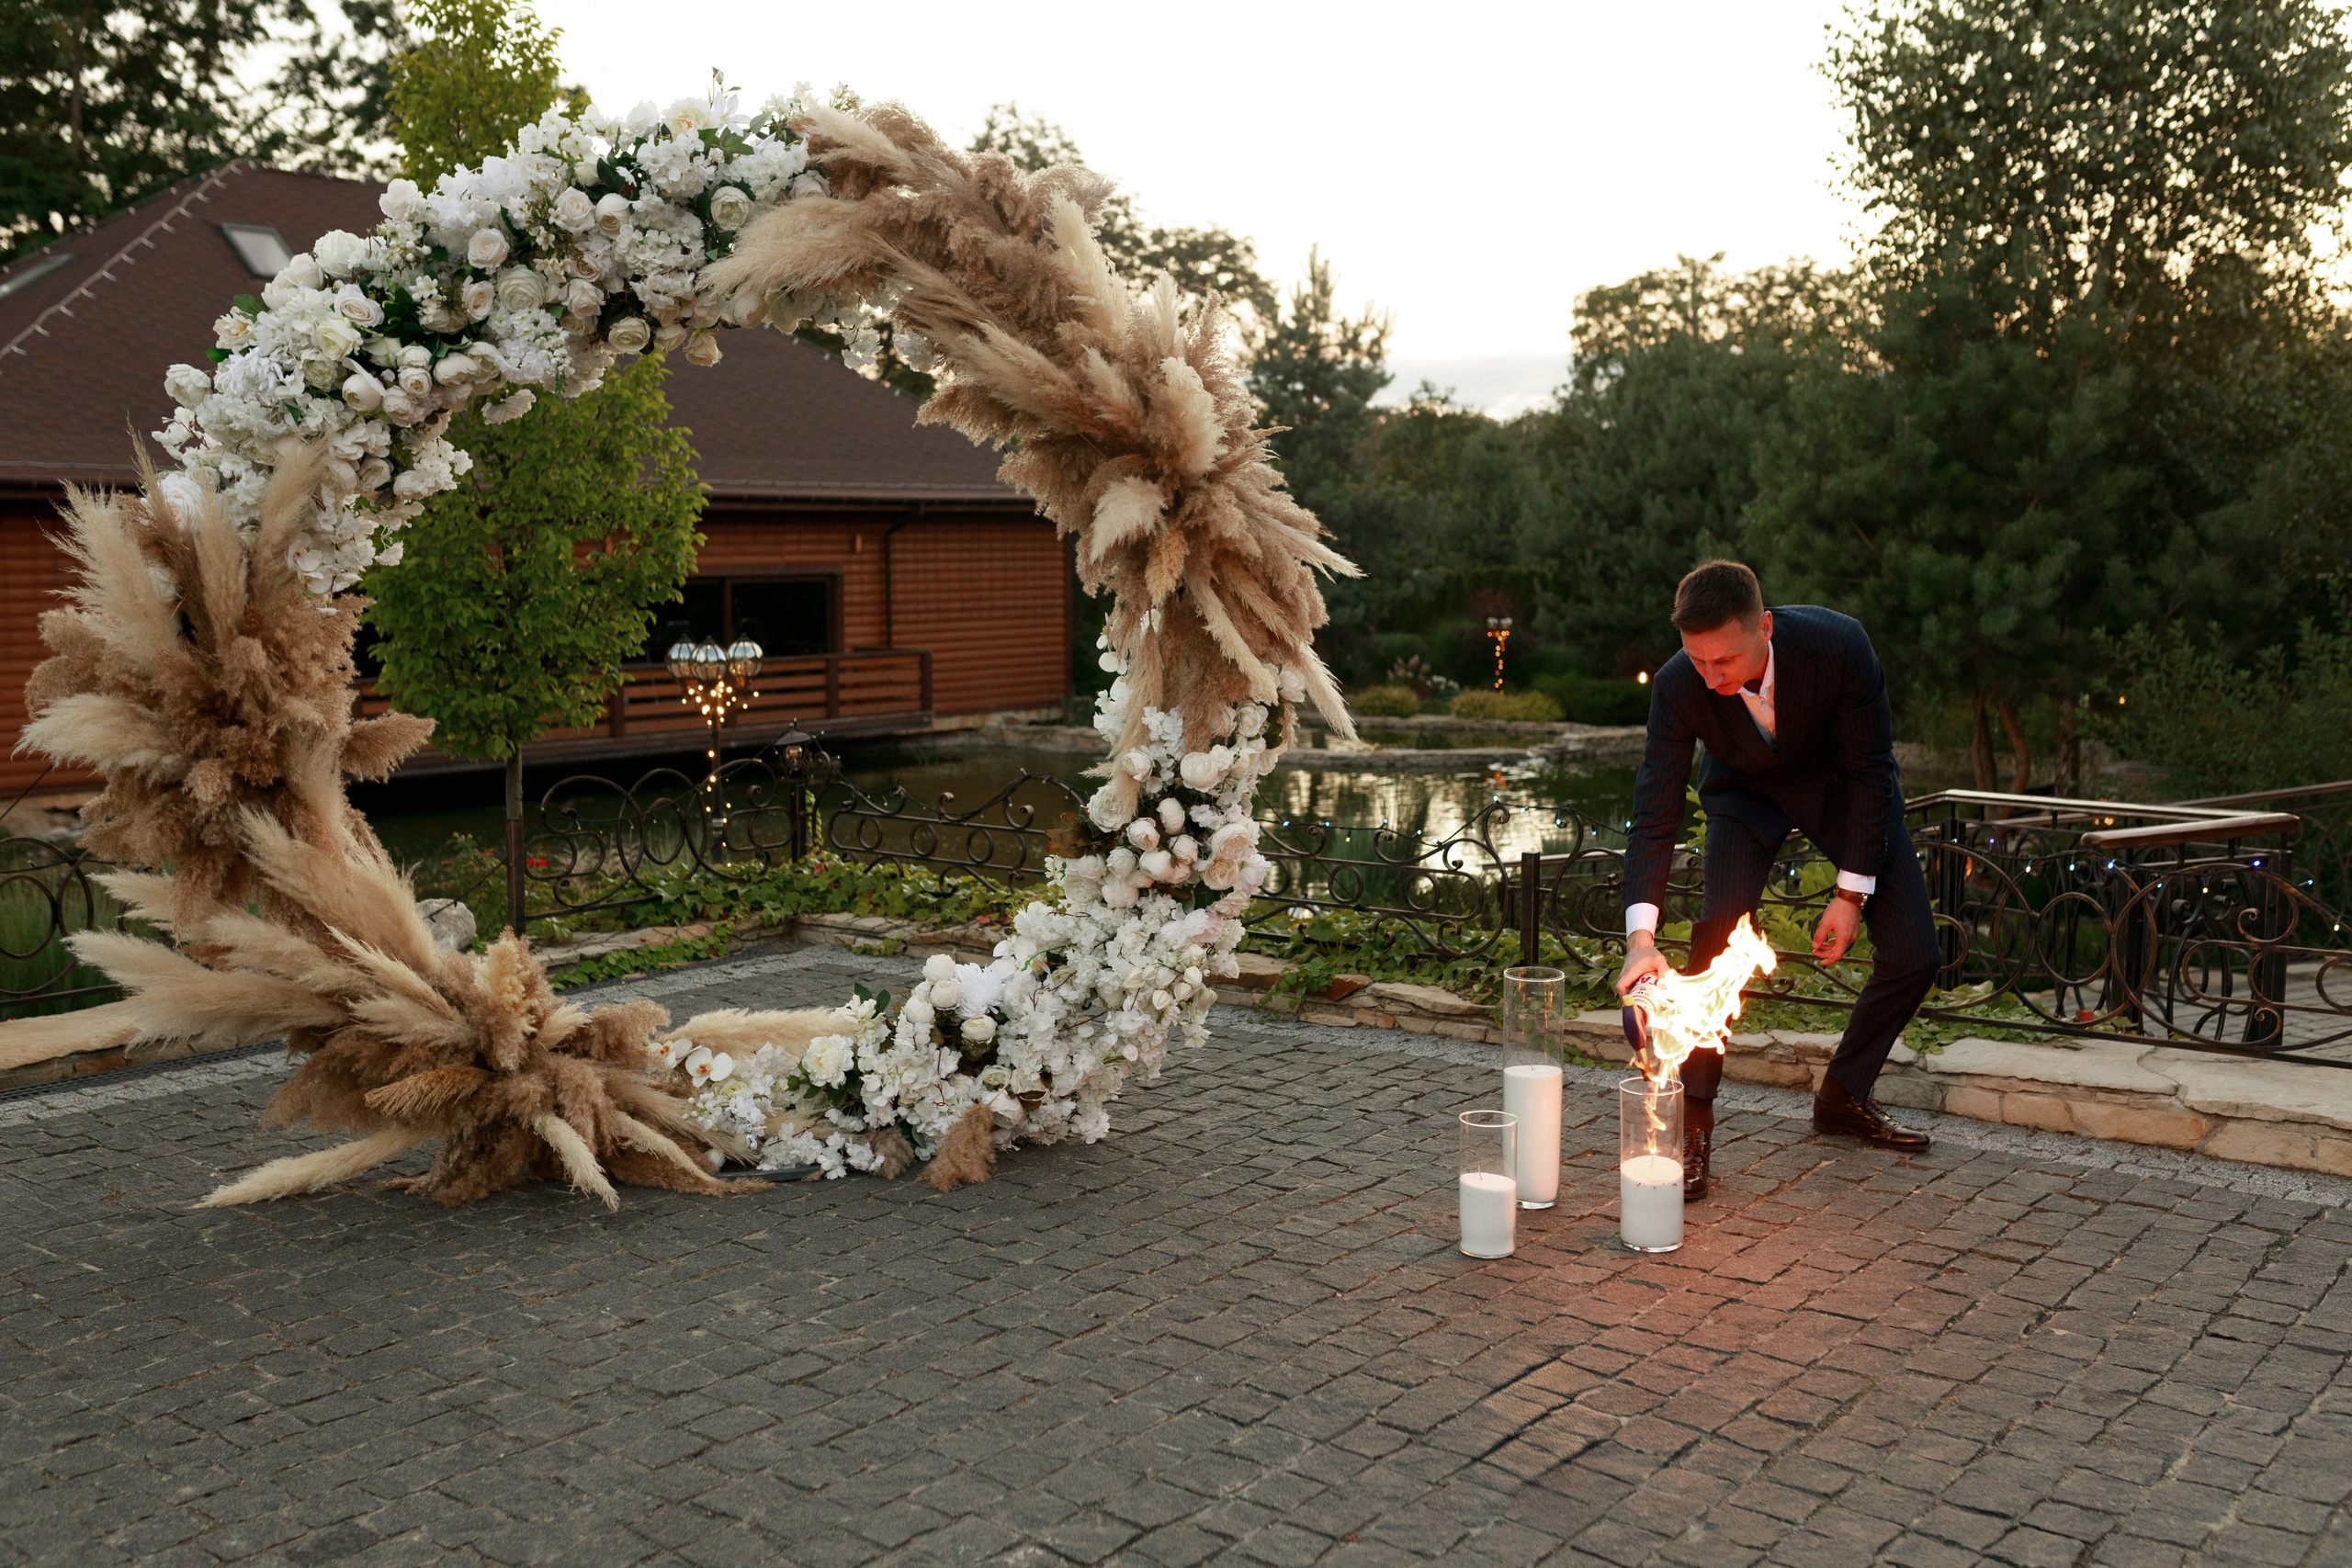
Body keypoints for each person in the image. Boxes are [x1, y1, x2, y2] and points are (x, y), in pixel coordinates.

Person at [1617, 560, 1937, 1199]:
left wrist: (1850, 894)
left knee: (1915, 953)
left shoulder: (1839, 645)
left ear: (1764, 627)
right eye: (1698, 661)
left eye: (1724, 661)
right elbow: (1655, 809)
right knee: (1716, 936)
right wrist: (1640, 938)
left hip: (1840, 791)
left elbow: (1873, 771)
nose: (1712, 679)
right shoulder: (1680, 684)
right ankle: (1694, 1125)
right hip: (1742, 795)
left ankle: (1842, 1095)